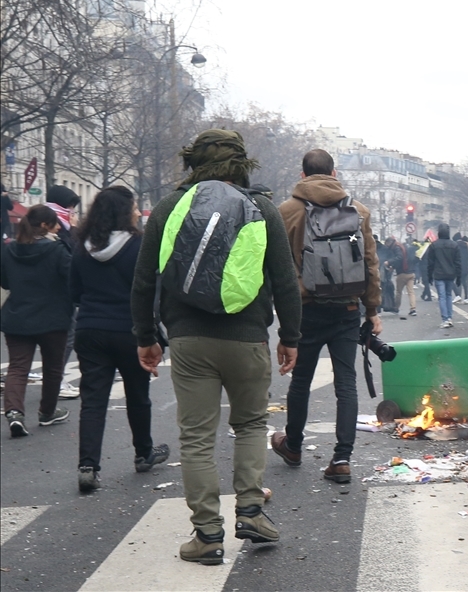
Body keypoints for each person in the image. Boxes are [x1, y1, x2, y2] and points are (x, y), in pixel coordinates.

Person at [131, 129, 302, 565]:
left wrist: (146, 338)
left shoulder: (170, 207)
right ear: (242, 165)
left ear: (194, 163)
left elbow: (144, 280)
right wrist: (290, 338)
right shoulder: (261, 207)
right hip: (247, 338)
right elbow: (285, 280)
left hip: (189, 340)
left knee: (197, 440)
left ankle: (207, 536)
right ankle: (251, 512)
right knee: (248, 426)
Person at [272, 148, 383, 484]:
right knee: (346, 384)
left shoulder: (286, 211)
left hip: (304, 310)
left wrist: (279, 318)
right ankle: (342, 459)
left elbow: (276, 268)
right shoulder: (358, 211)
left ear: (302, 175)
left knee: (301, 381)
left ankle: (292, 446)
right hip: (347, 309)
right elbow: (370, 265)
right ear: (334, 174)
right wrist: (373, 310)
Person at [70, 186, 169, 493]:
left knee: (93, 400)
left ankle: (88, 465)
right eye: (135, 207)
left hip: (89, 329)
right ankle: (143, 453)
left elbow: (74, 292)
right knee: (137, 395)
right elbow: (151, 291)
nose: (139, 212)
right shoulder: (139, 246)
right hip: (130, 330)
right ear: (124, 213)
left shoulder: (81, 246)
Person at [1, 205, 73, 436]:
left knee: (18, 367)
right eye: (54, 224)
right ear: (45, 226)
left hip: (18, 316)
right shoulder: (58, 250)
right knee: (53, 367)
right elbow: (71, 278)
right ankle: (47, 412)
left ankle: (14, 412)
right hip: (53, 318)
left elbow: (5, 282)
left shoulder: (10, 250)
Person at [46, 185, 83, 400]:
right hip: (59, 292)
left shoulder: (39, 219)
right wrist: (75, 230)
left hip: (44, 292)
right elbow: (73, 254)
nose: (72, 211)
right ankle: (56, 381)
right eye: (70, 206)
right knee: (67, 337)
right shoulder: (59, 227)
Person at [425, 223, 460, 328]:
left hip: (439, 274)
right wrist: (459, 276)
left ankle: (445, 319)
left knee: (442, 296)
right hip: (450, 274)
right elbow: (458, 262)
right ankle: (449, 317)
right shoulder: (454, 245)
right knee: (449, 295)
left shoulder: (434, 245)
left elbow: (430, 263)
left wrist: (429, 276)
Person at [383, 236, 416, 316]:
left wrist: (389, 262)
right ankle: (413, 309)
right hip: (411, 272)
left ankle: (396, 308)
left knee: (398, 292)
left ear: (389, 242)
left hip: (402, 273)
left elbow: (399, 258)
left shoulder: (396, 248)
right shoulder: (403, 246)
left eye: (387, 244)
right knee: (411, 292)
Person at [454, 233, 468, 304]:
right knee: (465, 282)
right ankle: (466, 297)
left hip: (458, 266)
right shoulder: (465, 245)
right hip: (465, 266)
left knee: (458, 282)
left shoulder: (455, 245)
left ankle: (459, 296)